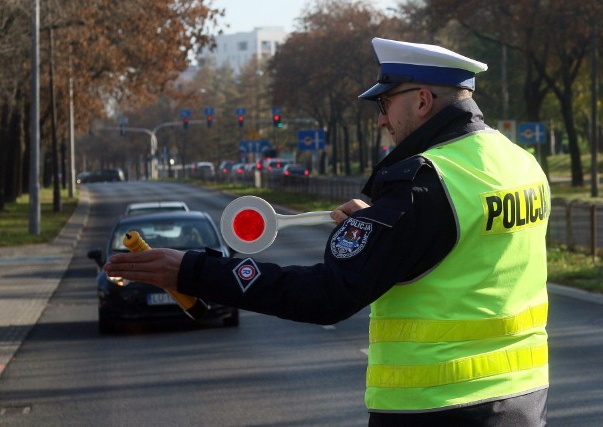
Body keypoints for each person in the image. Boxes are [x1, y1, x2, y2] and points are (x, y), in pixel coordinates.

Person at [105, 38, 550, 426]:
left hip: (435, 409)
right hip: (523, 402)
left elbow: (326, 296)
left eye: (384, 103)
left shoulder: (423, 184)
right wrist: (382, 226)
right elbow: (461, 252)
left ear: (421, 101)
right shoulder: (518, 162)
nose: (380, 120)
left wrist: (194, 271)